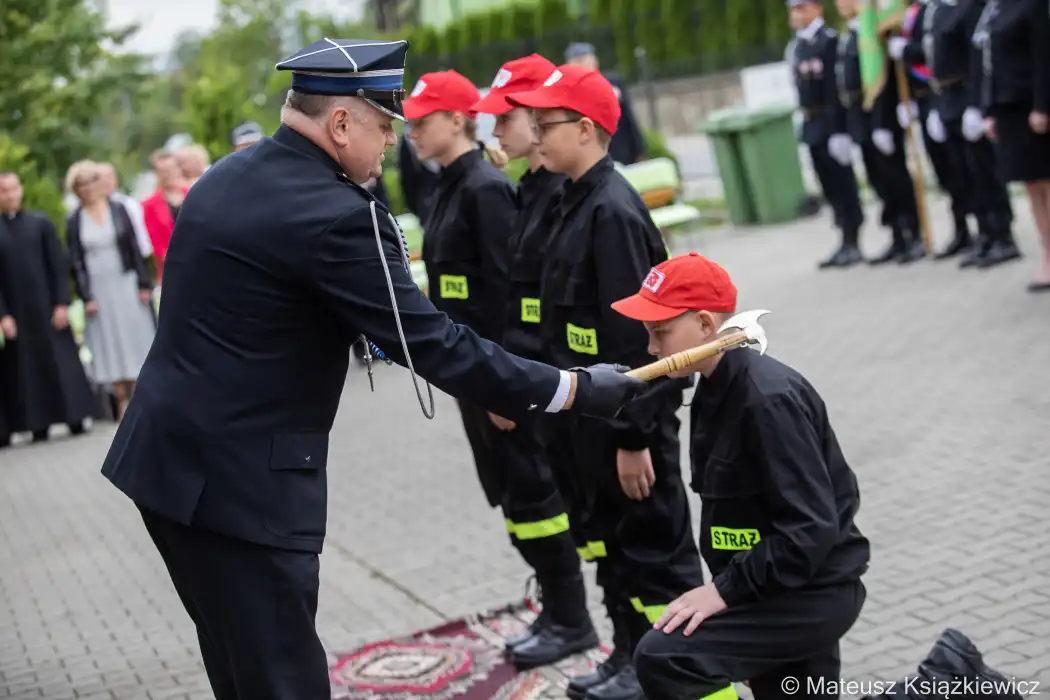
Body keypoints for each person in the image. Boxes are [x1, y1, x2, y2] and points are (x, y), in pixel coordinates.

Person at [99, 38, 646, 700]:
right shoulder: (336, 213)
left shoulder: (226, 176)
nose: (392, 142)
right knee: (282, 675)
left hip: (168, 464)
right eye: (385, 125)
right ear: (339, 124)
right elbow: (433, 342)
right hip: (244, 488)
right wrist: (575, 389)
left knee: (238, 663)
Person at [506, 65, 705, 700]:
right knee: (614, 550)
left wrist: (633, 437)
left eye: (546, 123)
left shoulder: (612, 210)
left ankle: (673, 672)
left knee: (652, 555)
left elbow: (637, 344)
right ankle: (629, 655)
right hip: (586, 420)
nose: (535, 134)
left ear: (586, 129)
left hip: (625, 427)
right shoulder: (573, 199)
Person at [610, 252, 870, 700]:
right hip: (772, 587)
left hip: (806, 594)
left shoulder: (765, 400)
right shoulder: (713, 386)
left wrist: (725, 594)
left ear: (707, 326)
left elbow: (810, 530)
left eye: (661, 333)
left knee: (665, 656)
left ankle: (944, 675)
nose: (652, 349)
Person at [470, 53, 598, 667]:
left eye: (509, 120)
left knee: (572, 515)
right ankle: (568, 617)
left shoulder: (568, 195)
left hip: (560, 390)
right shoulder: (532, 187)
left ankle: (580, 624)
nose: (496, 132)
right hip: (532, 383)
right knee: (545, 507)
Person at [891, 0, 1021, 267]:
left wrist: (976, 105)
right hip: (946, 98)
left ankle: (1003, 235)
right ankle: (984, 232)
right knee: (965, 174)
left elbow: (978, 60)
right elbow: (933, 59)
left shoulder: (970, 7)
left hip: (967, 94)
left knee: (985, 171)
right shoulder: (937, 12)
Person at [0, 171, 95, 443]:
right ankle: (36, 425)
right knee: (25, 370)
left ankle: (75, 417)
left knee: (61, 364)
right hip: (16, 313)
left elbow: (58, 266)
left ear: (20, 190)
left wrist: (62, 302)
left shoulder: (40, 223)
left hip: (48, 308)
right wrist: (3, 315)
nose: (9, 195)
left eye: (12, 189)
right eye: (3, 190)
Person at [834, 0, 925, 265]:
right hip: (860, 120)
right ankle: (896, 233)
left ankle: (913, 232)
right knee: (878, 180)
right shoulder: (850, 36)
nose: (841, 4)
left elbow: (883, 80)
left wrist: (882, 121)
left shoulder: (875, 31)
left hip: (879, 118)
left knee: (896, 176)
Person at [64, 161, 156, 421]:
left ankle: (141, 398)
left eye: (93, 181)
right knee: (108, 341)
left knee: (135, 336)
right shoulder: (74, 220)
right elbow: (75, 260)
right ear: (77, 189)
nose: (90, 188)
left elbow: (134, 248)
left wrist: (143, 282)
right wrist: (86, 296)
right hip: (97, 286)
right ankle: (120, 400)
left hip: (124, 279)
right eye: (83, 184)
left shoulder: (119, 209)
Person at [973, 0, 1050, 291]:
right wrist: (989, 110)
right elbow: (988, 62)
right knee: (1031, 185)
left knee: (1047, 183)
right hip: (1007, 109)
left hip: (1030, 107)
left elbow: (1043, 57)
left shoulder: (1032, 5)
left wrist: (1042, 106)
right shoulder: (995, 9)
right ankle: (1047, 255)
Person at [891, 0, 976, 262]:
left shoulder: (936, 10)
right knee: (945, 171)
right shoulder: (914, 14)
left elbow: (933, 56)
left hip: (943, 96)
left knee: (966, 169)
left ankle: (989, 229)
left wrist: (906, 51)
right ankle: (962, 228)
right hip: (926, 100)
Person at [785, 0, 866, 269]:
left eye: (801, 8)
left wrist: (839, 131)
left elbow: (835, 89)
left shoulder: (829, 41)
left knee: (843, 183)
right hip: (812, 124)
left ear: (817, 9)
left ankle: (854, 239)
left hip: (830, 122)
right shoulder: (797, 46)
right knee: (828, 184)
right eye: (793, 9)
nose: (796, 14)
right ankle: (843, 238)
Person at [564, 43, 647, 166]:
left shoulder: (613, 83)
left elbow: (629, 118)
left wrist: (640, 150)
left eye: (586, 60)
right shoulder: (569, 92)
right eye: (578, 61)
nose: (584, 65)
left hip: (622, 150)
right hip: (592, 156)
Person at [141, 150, 189, 283]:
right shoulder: (149, 205)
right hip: (171, 270)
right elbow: (156, 244)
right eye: (163, 171)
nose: (168, 174)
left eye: (171, 168)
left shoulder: (193, 194)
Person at [99, 162, 154, 262]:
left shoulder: (129, 204)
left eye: (109, 176)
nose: (105, 181)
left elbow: (140, 232)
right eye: (100, 178)